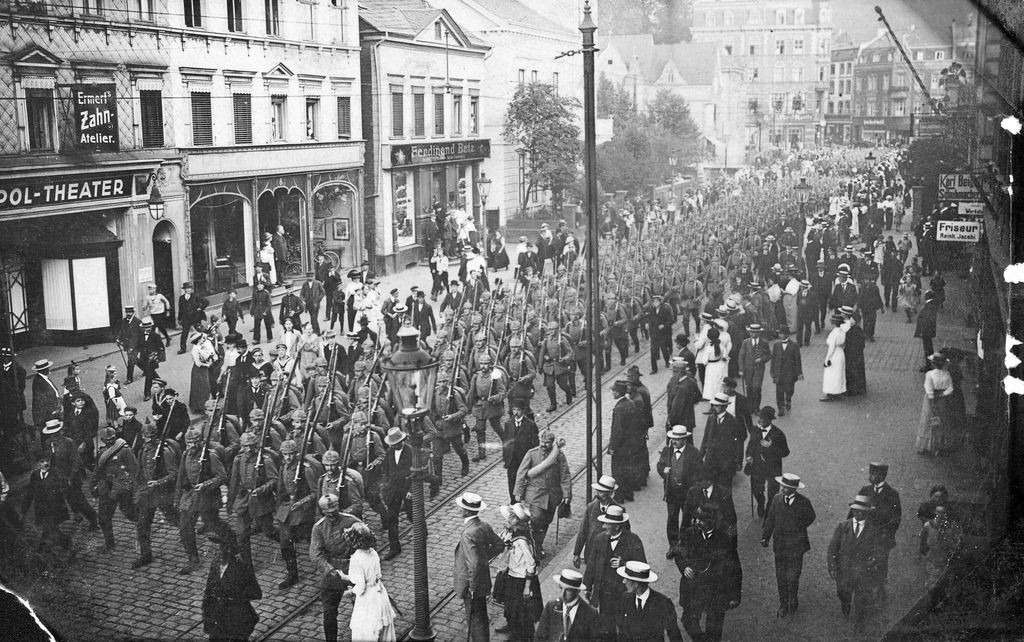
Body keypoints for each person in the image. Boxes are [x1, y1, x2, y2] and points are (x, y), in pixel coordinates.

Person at [669, 502, 741, 642]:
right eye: (696, 518)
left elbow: (735, 568)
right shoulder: (690, 533)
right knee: (688, 620)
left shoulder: (724, 539)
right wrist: (684, 567)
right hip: (693, 587)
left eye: (700, 519)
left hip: (716, 589)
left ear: (711, 522)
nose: (696, 521)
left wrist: (735, 596)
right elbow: (679, 554)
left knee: (714, 627)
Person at [760, 473, 815, 617]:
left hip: (796, 546)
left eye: (787, 488)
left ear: (794, 489)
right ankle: (783, 604)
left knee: (792, 576)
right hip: (780, 546)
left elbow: (811, 517)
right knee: (781, 576)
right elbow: (770, 519)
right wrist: (765, 537)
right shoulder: (776, 499)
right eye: (782, 486)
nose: (783, 489)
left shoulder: (804, 502)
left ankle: (793, 599)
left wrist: (797, 527)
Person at [310, 493, 363, 642]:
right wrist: (330, 570)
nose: (332, 515)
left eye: (334, 511)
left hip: (353, 570)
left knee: (361, 609)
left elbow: (368, 543)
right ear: (322, 512)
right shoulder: (319, 528)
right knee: (329, 613)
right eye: (328, 513)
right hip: (332, 573)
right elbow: (315, 554)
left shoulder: (352, 521)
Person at [175, 427, 228, 575]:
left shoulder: (210, 456)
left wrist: (205, 485)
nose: (191, 446)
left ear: (201, 442)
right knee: (185, 527)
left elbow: (222, 476)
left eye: (194, 443)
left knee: (214, 525)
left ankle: (231, 546)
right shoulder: (186, 454)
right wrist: (177, 497)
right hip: (191, 495)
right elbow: (181, 476)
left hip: (207, 496)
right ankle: (193, 559)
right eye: (188, 443)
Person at [453, 492, 505, 642]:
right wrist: (484, 557)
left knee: (474, 619)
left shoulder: (468, 533)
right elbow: (499, 545)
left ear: (467, 511)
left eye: (461, 508)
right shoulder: (483, 525)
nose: (459, 510)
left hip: (472, 584)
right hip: (482, 580)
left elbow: (473, 564)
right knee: (481, 616)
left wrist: (472, 587)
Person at [514, 429, 571, 559]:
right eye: (541, 442)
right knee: (536, 519)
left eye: (547, 443)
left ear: (552, 443)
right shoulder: (531, 454)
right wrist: (518, 493)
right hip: (535, 495)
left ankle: (538, 546)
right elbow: (521, 473)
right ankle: (533, 547)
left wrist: (567, 495)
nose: (543, 445)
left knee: (546, 522)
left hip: (552, 496)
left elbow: (565, 476)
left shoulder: (559, 456)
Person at [828, 495, 885, 621]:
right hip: (844, 569)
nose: (858, 514)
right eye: (855, 510)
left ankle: (859, 623)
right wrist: (832, 567)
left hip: (863, 571)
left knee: (861, 597)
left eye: (861, 511)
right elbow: (833, 548)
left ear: (867, 513)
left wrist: (874, 560)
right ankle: (845, 606)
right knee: (843, 592)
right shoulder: (842, 527)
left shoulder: (874, 530)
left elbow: (878, 550)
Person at [582, 505, 646, 615]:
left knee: (624, 624)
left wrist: (624, 564)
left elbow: (642, 567)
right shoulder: (599, 539)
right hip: (604, 592)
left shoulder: (633, 540)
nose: (603, 526)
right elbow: (591, 565)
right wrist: (587, 586)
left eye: (607, 524)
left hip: (625, 592)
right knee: (605, 624)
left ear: (616, 526)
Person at [202, 529, 263, 642]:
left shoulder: (240, 567)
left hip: (238, 620)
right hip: (218, 620)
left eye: (220, 547)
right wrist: (207, 617)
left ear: (228, 549)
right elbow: (208, 593)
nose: (216, 552)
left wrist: (233, 596)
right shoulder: (215, 565)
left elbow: (256, 592)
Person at [346, 522, 397, 642]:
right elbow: (373, 575)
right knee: (382, 630)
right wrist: (346, 577)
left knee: (365, 631)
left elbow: (361, 586)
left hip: (368, 599)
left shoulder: (356, 558)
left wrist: (349, 592)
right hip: (379, 594)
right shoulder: (373, 553)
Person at [496, 502, 540, 641]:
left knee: (522, 612)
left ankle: (520, 636)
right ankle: (512, 628)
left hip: (522, 579)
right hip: (513, 575)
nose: (507, 520)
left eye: (511, 518)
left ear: (518, 523)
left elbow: (531, 564)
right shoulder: (513, 534)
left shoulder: (522, 540)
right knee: (511, 607)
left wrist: (527, 586)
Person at [92, 426, 139, 552]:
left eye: (112, 439)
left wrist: (135, 489)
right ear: (102, 440)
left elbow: (134, 470)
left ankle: (144, 529)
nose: (110, 442)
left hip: (122, 488)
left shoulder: (124, 450)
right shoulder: (102, 452)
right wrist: (94, 485)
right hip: (106, 489)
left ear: (116, 437)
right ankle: (109, 545)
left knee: (131, 513)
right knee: (103, 518)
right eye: (106, 440)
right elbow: (97, 470)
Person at [21, 456, 76, 560]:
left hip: (55, 508)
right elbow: (29, 493)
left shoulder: (56, 473)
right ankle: (61, 547)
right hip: (41, 509)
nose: (46, 463)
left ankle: (48, 550)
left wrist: (73, 508)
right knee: (49, 530)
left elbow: (65, 489)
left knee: (49, 529)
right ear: (37, 464)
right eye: (42, 461)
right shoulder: (35, 475)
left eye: (47, 460)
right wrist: (24, 509)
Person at [614, 561, 683, 641]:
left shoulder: (663, 603)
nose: (623, 582)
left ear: (636, 584)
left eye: (626, 579)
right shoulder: (625, 598)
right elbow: (622, 632)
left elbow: (675, 636)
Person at [535, 568, 609, 641]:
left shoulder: (590, 613)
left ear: (577, 591)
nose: (562, 594)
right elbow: (540, 636)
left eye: (567, 590)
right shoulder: (551, 607)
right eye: (561, 588)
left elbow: (597, 639)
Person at [658, 426, 702, 548]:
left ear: (684, 439)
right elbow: (660, 465)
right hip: (671, 492)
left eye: (677, 439)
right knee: (672, 519)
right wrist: (663, 471)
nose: (673, 441)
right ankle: (673, 546)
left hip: (687, 493)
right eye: (672, 438)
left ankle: (685, 544)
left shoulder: (694, 453)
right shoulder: (667, 451)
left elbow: (699, 473)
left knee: (687, 519)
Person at [745, 407, 790, 517]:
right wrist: (749, 456)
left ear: (770, 420)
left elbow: (785, 452)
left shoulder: (778, 433)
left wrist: (771, 447)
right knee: (756, 490)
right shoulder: (755, 430)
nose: (760, 420)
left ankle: (769, 510)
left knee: (772, 492)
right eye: (760, 418)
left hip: (773, 468)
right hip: (757, 466)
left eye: (763, 419)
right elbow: (750, 446)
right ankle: (761, 503)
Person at [572, 475, 620, 570]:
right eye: (598, 490)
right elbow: (583, 531)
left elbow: (625, 535)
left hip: (609, 557)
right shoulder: (590, 507)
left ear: (610, 494)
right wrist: (576, 553)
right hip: (591, 554)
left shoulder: (618, 510)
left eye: (601, 491)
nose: (598, 494)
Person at [380, 427, 413, 560]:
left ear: (402, 441)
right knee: (392, 518)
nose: (394, 446)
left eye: (396, 444)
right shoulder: (389, 452)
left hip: (407, 489)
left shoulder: (410, 451)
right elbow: (387, 471)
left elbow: (415, 473)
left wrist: (411, 490)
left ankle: (422, 530)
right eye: (392, 445)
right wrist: (386, 487)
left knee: (412, 514)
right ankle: (394, 548)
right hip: (394, 490)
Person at [607, 380, 640, 502]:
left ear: (617, 392)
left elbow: (617, 430)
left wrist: (613, 447)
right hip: (630, 443)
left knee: (618, 471)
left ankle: (619, 497)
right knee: (628, 469)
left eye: (613, 391)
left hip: (620, 446)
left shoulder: (619, 408)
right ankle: (629, 494)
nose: (612, 393)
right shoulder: (630, 403)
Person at [916, 353, 954, 456]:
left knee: (928, 419)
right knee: (941, 420)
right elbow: (951, 388)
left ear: (933, 364)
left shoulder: (930, 374)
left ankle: (927, 445)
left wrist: (932, 400)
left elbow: (929, 389)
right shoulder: (947, 374)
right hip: (942, 400)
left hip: (930, 399)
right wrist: (943, 394)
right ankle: (940, 444)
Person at [502, 401, 538, 502]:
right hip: (512, 459)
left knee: (524, 480)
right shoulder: (508, 424)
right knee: (511, 480)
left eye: (518, 410)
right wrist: (505, 457)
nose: (515, 412)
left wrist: (533, 460)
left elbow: (535, 444)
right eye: (514, 410)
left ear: (523, 411)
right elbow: (505, 441)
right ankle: (513, 501)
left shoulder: (530, 425)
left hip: (524, 459)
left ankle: (523, 499)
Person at [919, 504, 962, 587]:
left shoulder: (952, 527)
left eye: (943, 513)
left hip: (944, 558)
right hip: (932, 558)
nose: (940, 515)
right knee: (931, 582)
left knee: (943, 582)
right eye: (938, 512)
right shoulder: (928, 526)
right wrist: (923, 552)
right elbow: (923, 540)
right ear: (935, 512)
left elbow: (956, 541)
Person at [737, 323, 771, 411]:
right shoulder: (745, 342)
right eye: (751, 332)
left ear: (759, 333)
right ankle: (750, 407)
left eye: (755, 332)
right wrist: (741, 369)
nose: (753, 334)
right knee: (749, 388)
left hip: (759, 369)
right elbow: (741, 356)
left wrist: (762, 359)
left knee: (757, 388)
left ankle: (756, 407)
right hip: (748, 369)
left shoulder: (764, 342)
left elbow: (768, 355)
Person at [770, 326, 802, 416]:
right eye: (779, 334)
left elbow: (797, 360)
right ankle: (781, 408)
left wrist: (799, 373)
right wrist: (772, 371)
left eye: (783, 333)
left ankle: (788, 400)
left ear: (787, 334)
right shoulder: (776, 345)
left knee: (789, 390)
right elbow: (773, 359)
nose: (781, 335)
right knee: (779, 392)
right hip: (779, 372)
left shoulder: (794, 345)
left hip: (790, 373)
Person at [820, 313, 847, 401]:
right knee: (839, 373)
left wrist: (827, 358)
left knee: (831, 374)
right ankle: (838, 391)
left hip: (834, 355)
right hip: (840, 353)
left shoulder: (834, 333)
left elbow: (831, 348)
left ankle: (831, 393)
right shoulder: (842, 331)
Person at [177, 282, 209, 355]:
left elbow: (206, 302)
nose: (189, 290)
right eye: (187, 288)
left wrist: (200, 308)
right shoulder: (181, 298)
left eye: (190, 288)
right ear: (184, 290)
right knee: (184, 333)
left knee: (200, 330)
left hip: (195, 317)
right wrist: (179, 319)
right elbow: (180, 309)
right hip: (186, 318)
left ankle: (208, 341)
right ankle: (182, 348)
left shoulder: (195, 296)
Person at [31, 358, 62, 428]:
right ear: (43, 370)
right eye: (48, 368)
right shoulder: (38, 381)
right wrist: (53, 410)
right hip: (48, 414)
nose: (49, 369)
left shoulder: (44, 378)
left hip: (54, 408)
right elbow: (42, 400)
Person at [915, 291, 940, 372]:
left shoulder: (928, 306)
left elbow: (926, 320)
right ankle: (930, 363)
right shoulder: (931, 305)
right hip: (928, 331)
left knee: (927, 349)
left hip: (926, 331)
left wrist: (922, 331)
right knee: (929, 348)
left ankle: (928, 365)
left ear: (927, 297)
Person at [843, 313, 867, 396]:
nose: (851, 321)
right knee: (857, 371)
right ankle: (858, 388)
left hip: (852, 354)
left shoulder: (854, 331)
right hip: (856, 354)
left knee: (852, 371)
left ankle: (853, 389)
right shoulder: (858, 330)